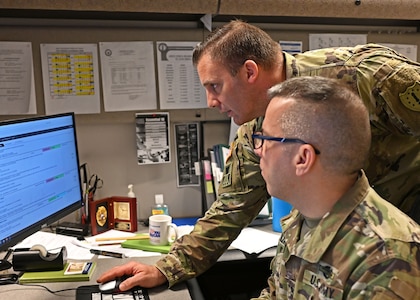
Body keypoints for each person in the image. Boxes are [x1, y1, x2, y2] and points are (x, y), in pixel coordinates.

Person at [97, 20, 420, 291]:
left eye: (215, 86)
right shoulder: (257, 131)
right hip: (350, 238)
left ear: (249, 72)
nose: (210, 101)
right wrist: (168, 268)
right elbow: (229, 210)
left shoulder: (363, 76)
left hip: (397, 237)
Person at [251, 76, 420, 299]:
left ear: (302, 158)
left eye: (265, 139)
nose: (258, 150)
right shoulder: (303, 218)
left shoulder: (386, 259)